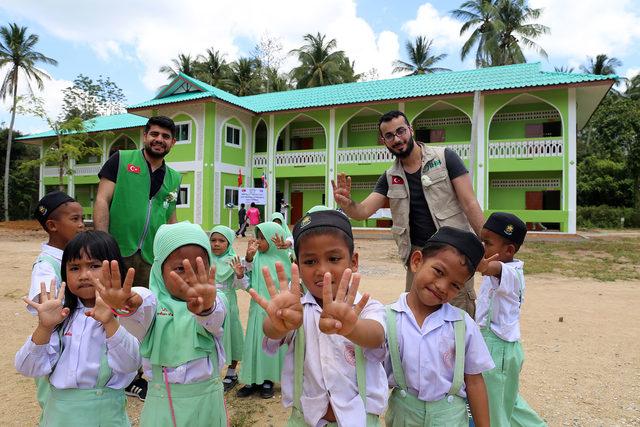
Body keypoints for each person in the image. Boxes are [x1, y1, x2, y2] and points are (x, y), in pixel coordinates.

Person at [332, 110, 484, 317]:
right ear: (384, 141)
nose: (397, 139)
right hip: (419, 257)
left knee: (457, 316)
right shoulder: (389, 177)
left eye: (400, 131)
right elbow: (363, 211)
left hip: (454, 252)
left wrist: (485, 243)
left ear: (411, 130)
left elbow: (469, 203)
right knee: (416, 315)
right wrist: (347, 203)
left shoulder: (445, 158)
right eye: (389, 136)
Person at [251, 209, 388, 425]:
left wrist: (351, 327)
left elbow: (376, 336)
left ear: (354, 261)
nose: (322, 270)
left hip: (359, 419)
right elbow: (271, 332)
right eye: (310, 262)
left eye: (333, 258)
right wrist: (279, 323)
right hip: (305, 419)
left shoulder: (366, 307)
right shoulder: (296, 310)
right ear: (296, 264)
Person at [96, 222, 228, 427]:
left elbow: (215, 317)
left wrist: (205, 307)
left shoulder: (216, 300)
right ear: (159, 271)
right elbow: (141, 302)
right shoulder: (154, 303)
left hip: (208, 406)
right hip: (162, 409)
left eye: (198, 268)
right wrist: (127, 304)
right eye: (180, 269)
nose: (189, 277)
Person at [16, 231, 141, 427]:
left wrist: (109, 322)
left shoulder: (125, 314)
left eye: (94, 266)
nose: (84, 275)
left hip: (106, 417)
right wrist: (45, 327)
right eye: (74, 267)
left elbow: (130, 364)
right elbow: (27, 368)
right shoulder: (62, 317)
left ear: (114, 267)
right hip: (59, 417)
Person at [384, 226, 494, 427]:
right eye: (438, 272)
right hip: (403, 416)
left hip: (450, 418)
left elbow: (475, 382)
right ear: (417, 261)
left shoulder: (463, 325)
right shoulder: (388, 319)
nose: (442, 287)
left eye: (455, 285)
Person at [94, 116, 181, 289]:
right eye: (154, 134)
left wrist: (174, 252)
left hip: (152, 256)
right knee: (112, 303)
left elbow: (170, 218)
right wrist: (103, 242)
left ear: (173, 142)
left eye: (165, 136)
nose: (159, 139)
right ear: (145, 136)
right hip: (116, 251)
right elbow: (102, 200)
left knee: (144, 306)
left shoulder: (175, 177)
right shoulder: (121, 160)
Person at [476, 213, 547, 426]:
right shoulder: (501, 268)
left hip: (499, 351)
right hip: (495, 345)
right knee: (509, 403)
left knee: (492, 410)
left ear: (509, 251)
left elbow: (488, 267)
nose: (482, 247)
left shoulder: (509, 273)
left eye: (487, 243)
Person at [27, 191, 85, 416]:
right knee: (57, 404)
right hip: (58, 345)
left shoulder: (76, 257)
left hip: (78, 340)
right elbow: (47, 310)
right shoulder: (45, 266)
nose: (82, 225)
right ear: (52, 225)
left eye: (82, 218)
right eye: (74, 219)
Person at [236, 222, 291, 399]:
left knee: (271, 344)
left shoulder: (285, 260)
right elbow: (246, 284)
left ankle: (268, 380)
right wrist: (248, 261)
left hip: (276, 312)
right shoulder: (255, 258)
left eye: (262, 238)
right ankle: (252, 380)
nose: (258, 241)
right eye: (257, 237)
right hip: (257, 311)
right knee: (254, 343)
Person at [209, 225, 248, 392]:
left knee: (231, 334)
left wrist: (239, 274)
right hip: (208, 302)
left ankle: (231, 372)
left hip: (228, 302)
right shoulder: (204, 258)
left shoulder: (234, 260)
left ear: (229, 242)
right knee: (209, 335)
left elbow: (240, 286)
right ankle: (210, 372)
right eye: (213, 240)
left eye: (221, 241)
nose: (216, 244)